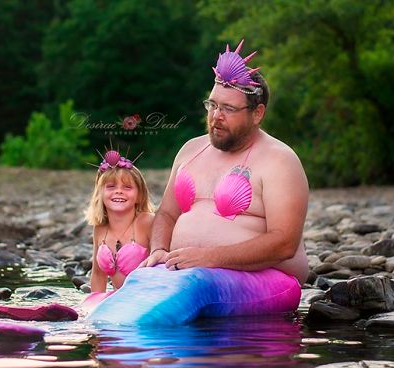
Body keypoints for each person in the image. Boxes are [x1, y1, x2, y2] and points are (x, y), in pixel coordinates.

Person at [88, 39, 309, 325]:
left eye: (228, 109)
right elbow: (166, 213)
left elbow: (284, 243)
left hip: (269, 279)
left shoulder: (280, 161)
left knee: (195, 285)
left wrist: (208, 257)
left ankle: (122, 333)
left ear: (257, 113)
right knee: (143, 279)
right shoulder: (190, 150)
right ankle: (91, 328)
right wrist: (158, 251)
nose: (216, 116)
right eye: (212, 104)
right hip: (186, 270)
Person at [84, 149, 155, 294]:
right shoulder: (100, 228)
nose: (119, 191)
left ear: (140, 195)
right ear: (100, 194)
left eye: (127, 187)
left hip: (147, 298)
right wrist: (92, 307)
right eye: (111, 186)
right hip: (118, 300)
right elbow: (98, 274)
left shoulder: (146, 222)